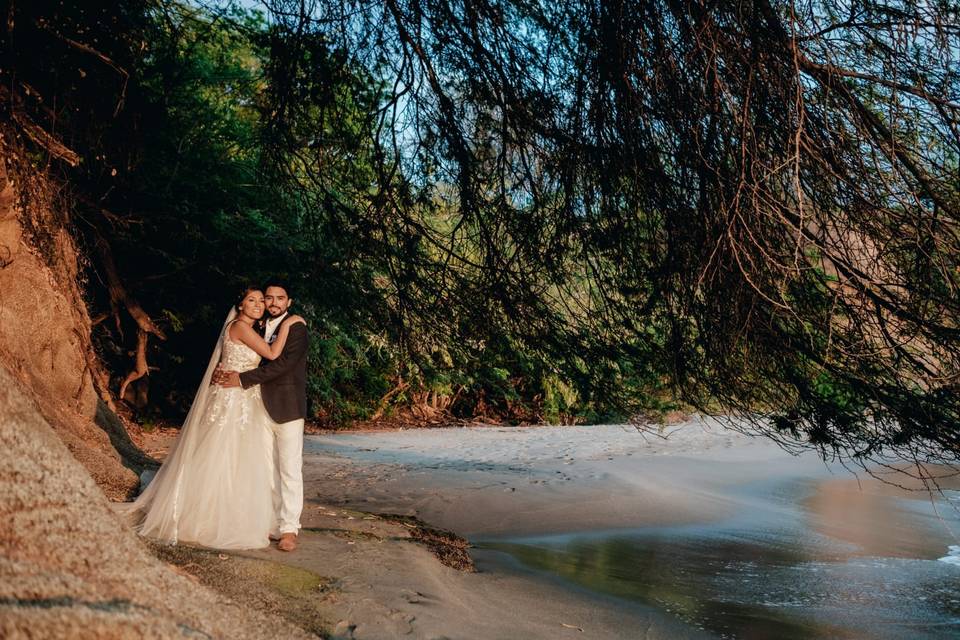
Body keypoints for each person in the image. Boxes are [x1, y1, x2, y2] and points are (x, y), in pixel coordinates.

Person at [122, 287, 304, 549]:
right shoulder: (244, 326)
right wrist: (290, 322)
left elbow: (278, 363)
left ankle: (284, 527)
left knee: (261, 464)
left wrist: (235, 374)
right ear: (239, 305)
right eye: (253, 300)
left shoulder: (270, 326)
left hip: (260, 401)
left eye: (262, 300)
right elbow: (271, 355)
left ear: (288, 302)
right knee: (227, 456)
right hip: (236, 400)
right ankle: (218, 518)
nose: (262, 304)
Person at [213, 281, 309, 552]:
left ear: (289, 302)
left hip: (287, 406)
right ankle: (272, 523)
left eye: (280, 298)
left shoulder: (296, 327)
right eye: (269, 298)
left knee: (289, 468)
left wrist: (241, 379)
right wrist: (223, 372)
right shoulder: (256, 325)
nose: (274, 302)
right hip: (256, 407)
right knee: (266, 468)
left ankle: (290, 528)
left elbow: (282, 364)